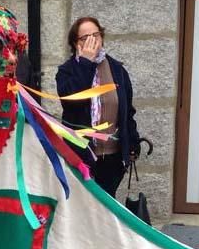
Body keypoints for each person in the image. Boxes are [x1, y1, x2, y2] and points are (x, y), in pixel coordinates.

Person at [56, 16, 141, 197]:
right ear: (75, 43)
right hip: (81, 155)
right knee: (83, 207)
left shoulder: (117, 69)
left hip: (112, 158)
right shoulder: (67, 70)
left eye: (96, 35)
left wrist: (132, 144)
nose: (92, 41)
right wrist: (86, 62)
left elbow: (127, 112)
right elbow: (71, 100)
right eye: (85, 38)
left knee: (106, 208)